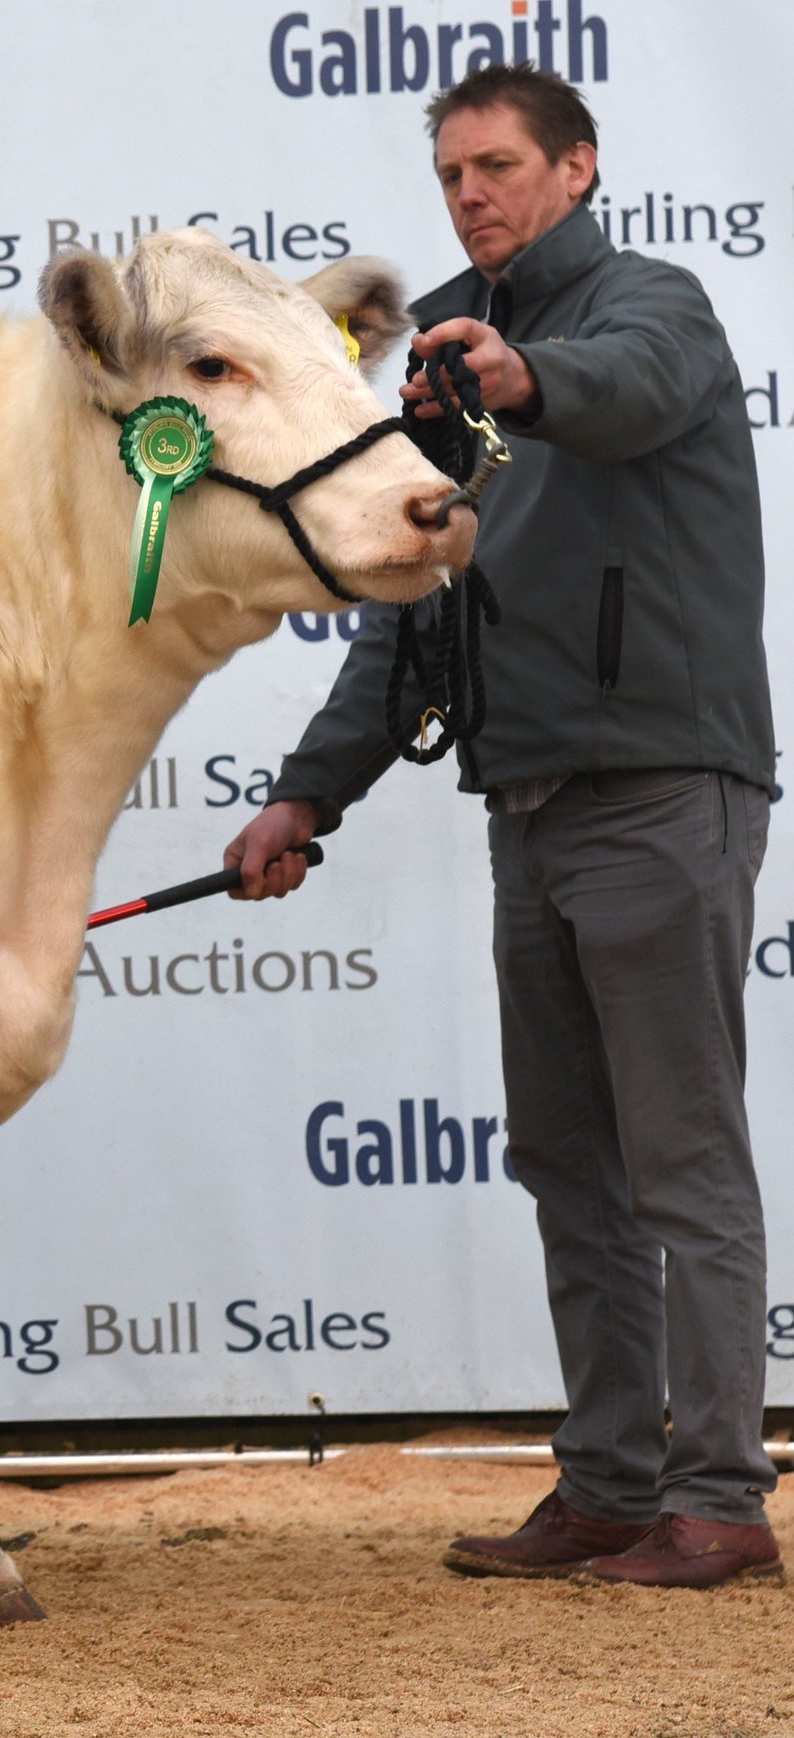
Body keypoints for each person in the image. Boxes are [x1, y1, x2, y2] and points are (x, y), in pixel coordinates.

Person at [226, 62, 778, 1588]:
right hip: (526, 799)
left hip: (666, 788)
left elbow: (627, 390)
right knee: (570, 1162)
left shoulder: (648, 306)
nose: (472, 192)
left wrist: (520, 378)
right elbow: (414, 607)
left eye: (499, 166)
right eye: (453, 173)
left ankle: (722, 1503)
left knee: (681, 1164)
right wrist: (307, 789)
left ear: (578, 168)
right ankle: (608, 1487)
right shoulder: (442, 361)